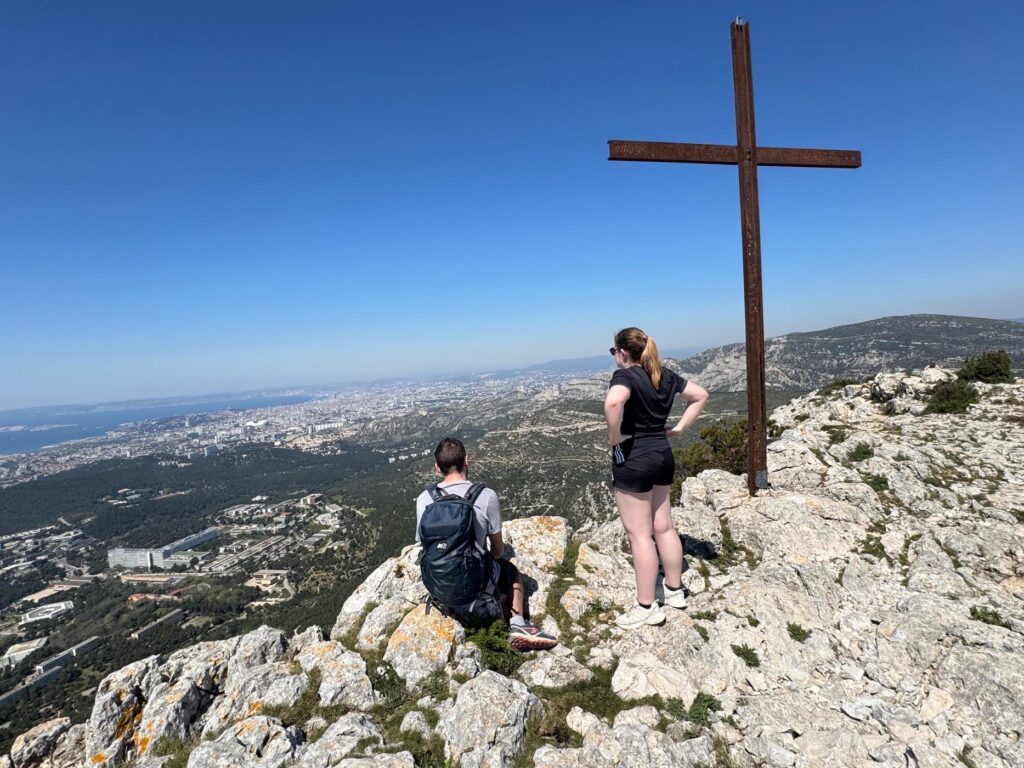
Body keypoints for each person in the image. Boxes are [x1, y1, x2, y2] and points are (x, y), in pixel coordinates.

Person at [605, 327, 709, 630]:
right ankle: (674, 590)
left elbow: (613, 403)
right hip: (663, 454)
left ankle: (646, 606)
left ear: (622, 352)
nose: (614, 357)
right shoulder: (663, 374)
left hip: (634, 458)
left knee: (640, 535)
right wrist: (678, 429)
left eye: (613, 352)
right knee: (664, 526)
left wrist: (614, 436)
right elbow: (700, 395)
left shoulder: (625, 376)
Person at [415, 437, 558, 650]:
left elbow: (422, 545)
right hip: (473, 585)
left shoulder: (424, 499)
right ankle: (518, 625)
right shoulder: (485, 496)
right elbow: (498, 551)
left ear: (437, 468)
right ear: (466, 460)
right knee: (511, 572)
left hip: (437, 586)